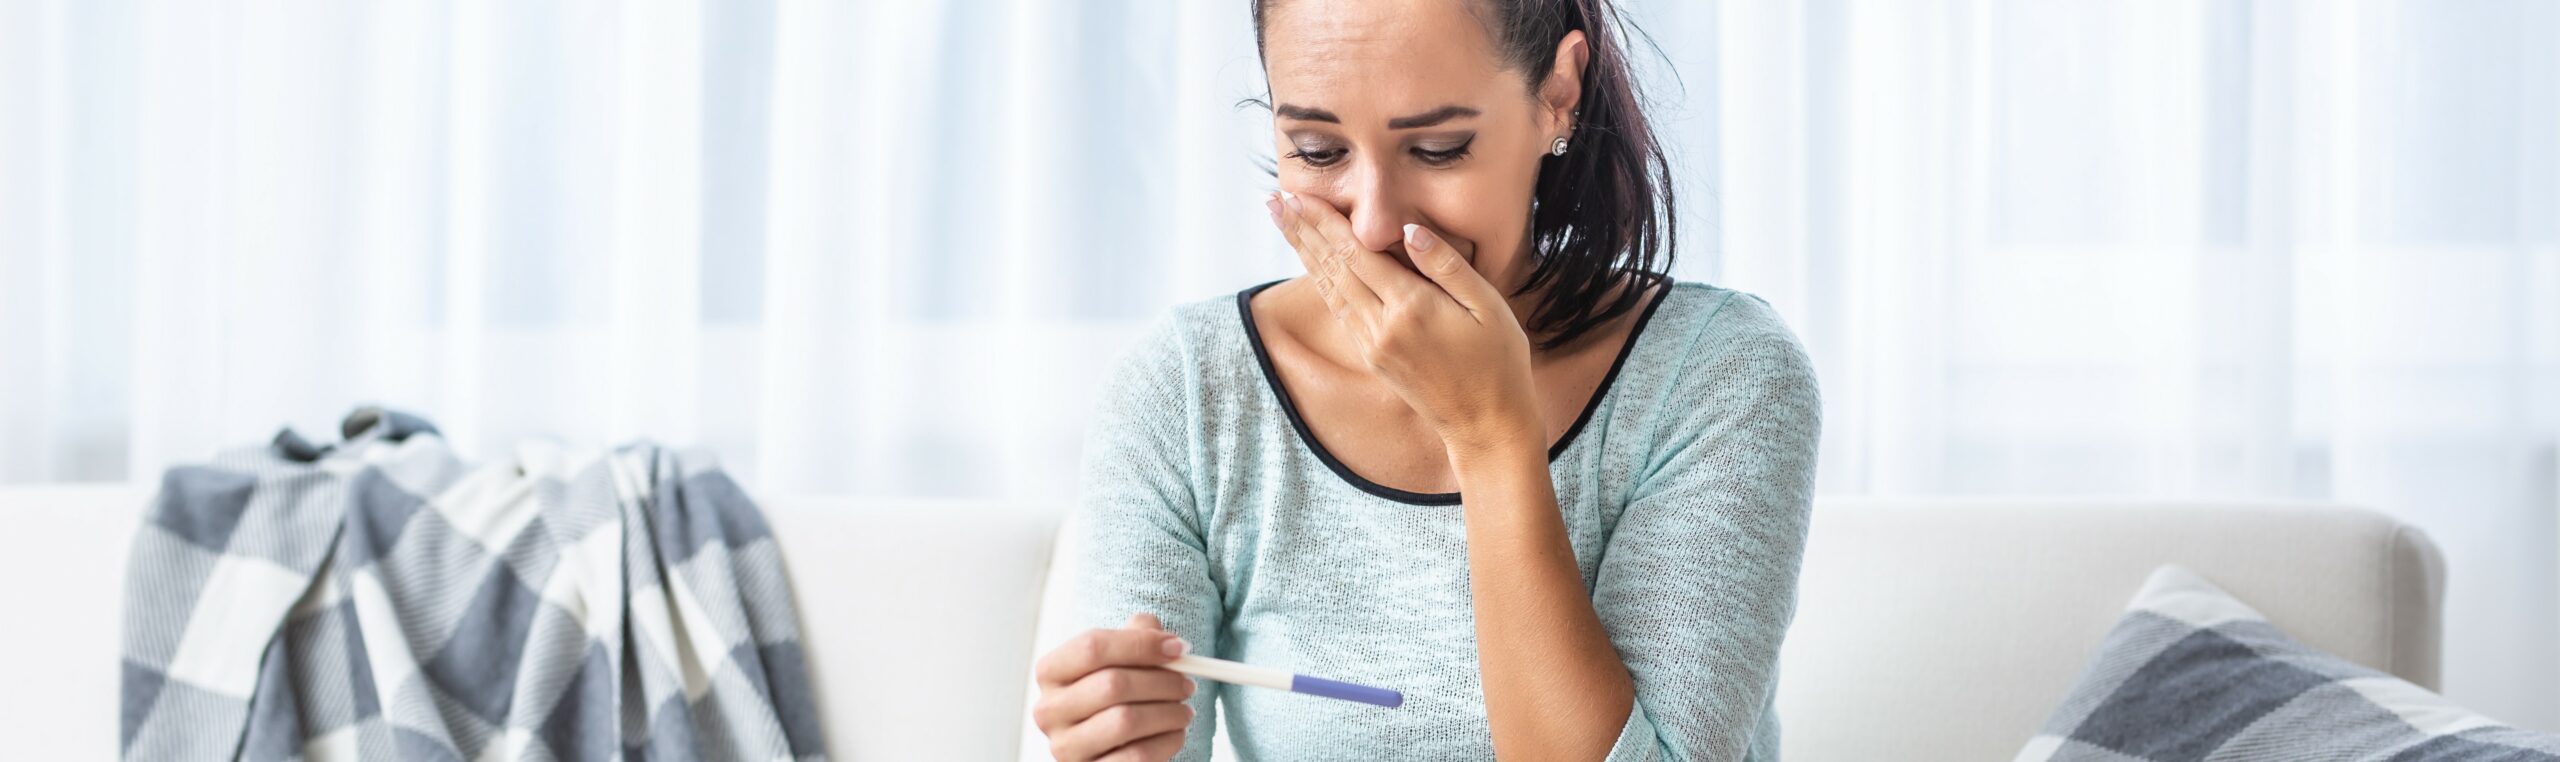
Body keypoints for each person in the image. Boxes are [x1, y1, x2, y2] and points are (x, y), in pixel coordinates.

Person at [1031, 0, 1822, 759]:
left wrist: (1489, 435)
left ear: (1557, 93)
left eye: (1438, 149)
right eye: (1316, 149)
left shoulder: (1720, 379)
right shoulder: (1187, 393)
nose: (1373, 224)